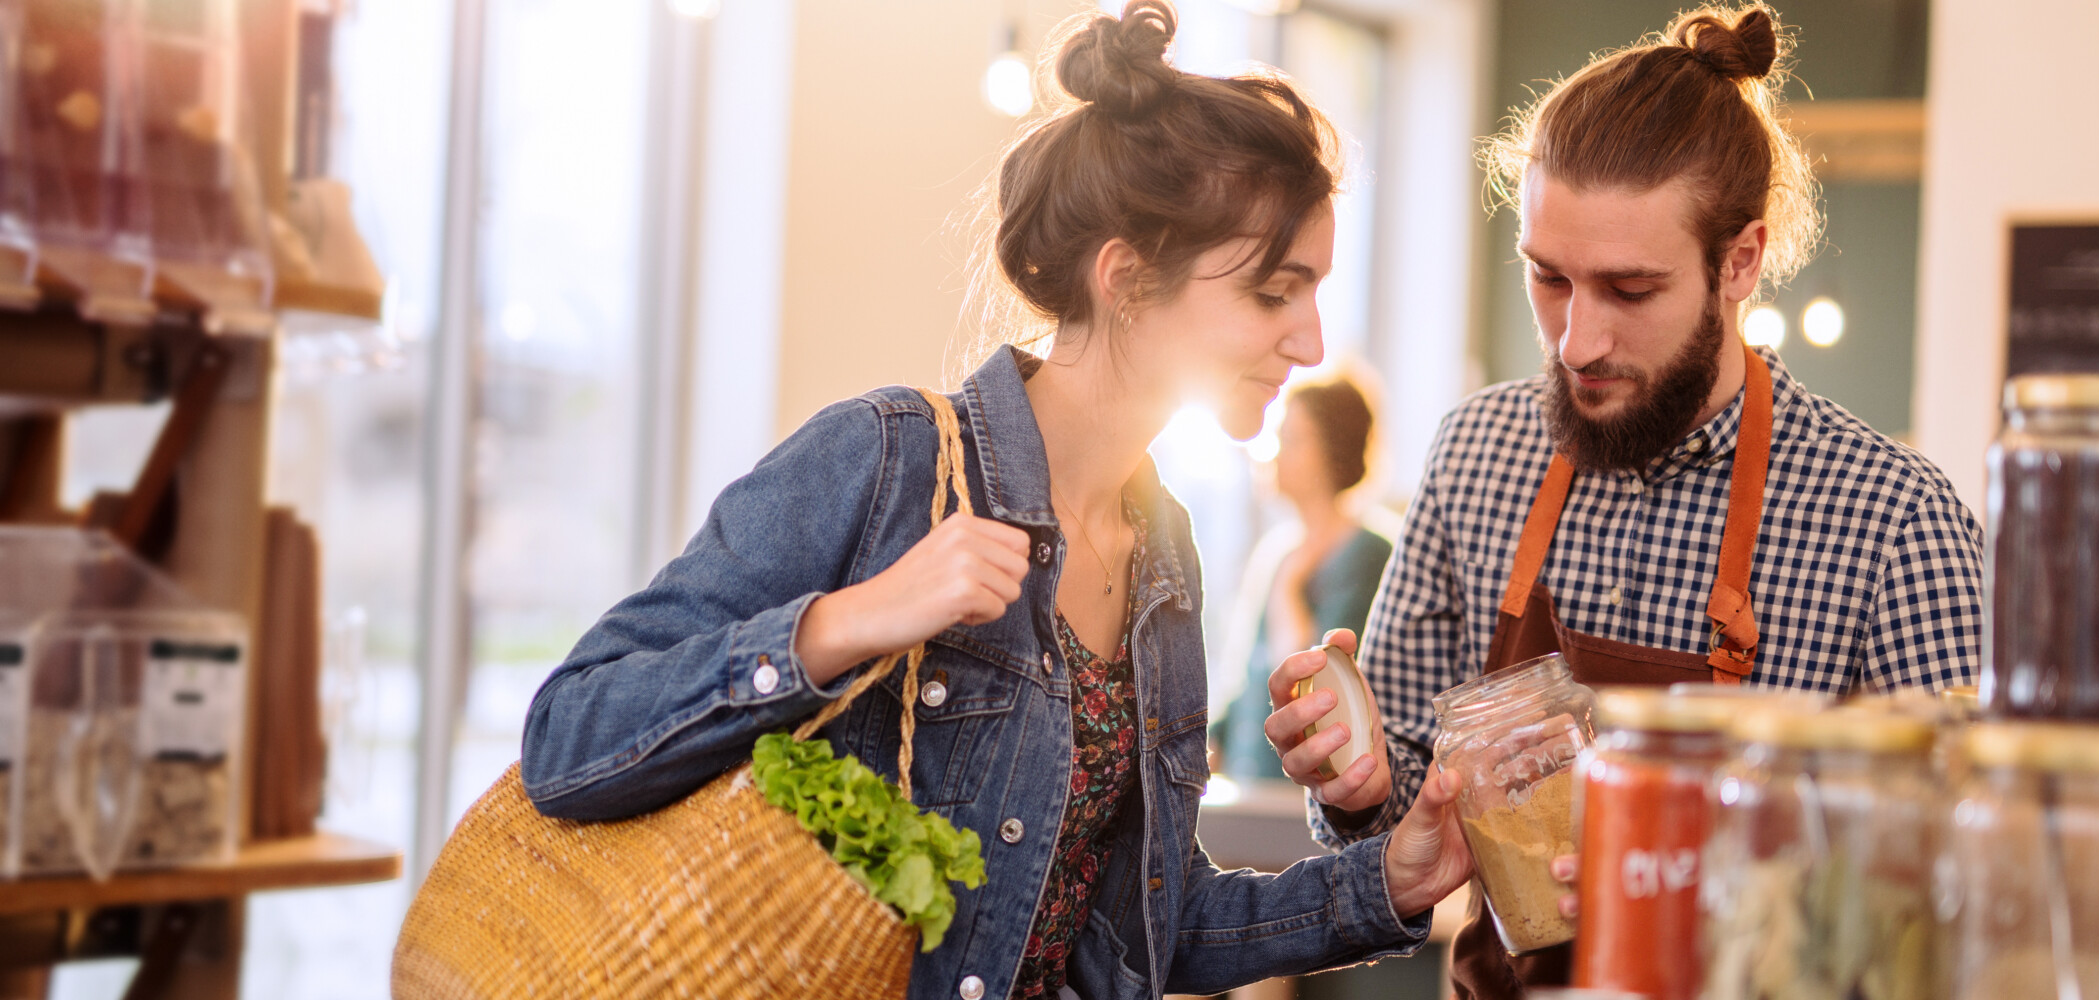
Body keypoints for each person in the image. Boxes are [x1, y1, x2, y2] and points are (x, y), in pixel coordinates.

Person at [517, 5, 1473, 999]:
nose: (1311, 342)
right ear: (1127, 280)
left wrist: (1386, 884)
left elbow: (1146, 923)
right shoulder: (885, 459)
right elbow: (567, 737)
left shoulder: (1165, 552)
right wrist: (847, 623)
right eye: (1274, 292)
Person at [1257, 6, 1986, 999]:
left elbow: (1960, 888)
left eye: (1630, 290)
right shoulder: (1478, 454)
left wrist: (1699, 873)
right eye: (1549, 278)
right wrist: (1360, 786)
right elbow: (1404, 817)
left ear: (1740, 261)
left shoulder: (1895, 519)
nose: (1577, 342)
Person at [1214, 374, 1395, 780]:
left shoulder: (1367, 555)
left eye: (1292, 439)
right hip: (1249, 788)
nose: (1273, 453)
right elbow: (1250, 681)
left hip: (1305, 790)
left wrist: (1290, 588)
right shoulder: (1277, 552)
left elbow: (1309, 683)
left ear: (1333, 452)